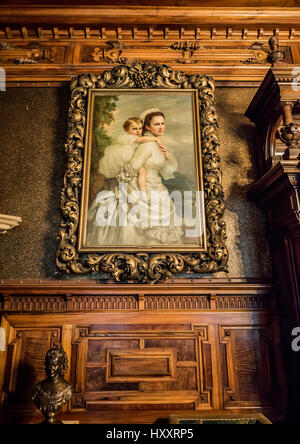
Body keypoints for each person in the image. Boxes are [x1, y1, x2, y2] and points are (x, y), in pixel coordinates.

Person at [86, 116, 166, 245]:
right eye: (134, 129)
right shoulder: (125, 137)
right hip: (125, 156)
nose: (138, 131)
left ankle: (141, 188)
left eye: (139, 128)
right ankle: (142, 189)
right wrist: (155, 139)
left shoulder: (139, 140)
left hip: (131, 155)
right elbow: (140, 139)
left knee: (141, 171)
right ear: (127, 130)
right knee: (141, 171)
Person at [126, 109, 184, 244]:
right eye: (156, 124)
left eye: (163, 123)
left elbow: (165, 170)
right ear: (147, 127)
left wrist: (166, 155)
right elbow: (132, 167)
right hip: (145, 185)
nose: (161, 127)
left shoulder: (158, 144)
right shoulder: (147, 145)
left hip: (158, 185)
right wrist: (142, 189)